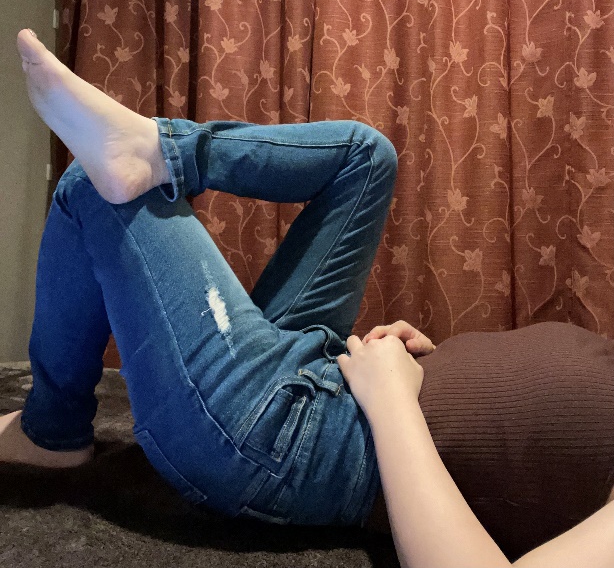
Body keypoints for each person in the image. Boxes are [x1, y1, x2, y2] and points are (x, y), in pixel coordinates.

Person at [2, 28, 613, 566]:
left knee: (96, 186)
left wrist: (394, 400)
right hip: (327, 369)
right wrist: (437, 361)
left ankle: (52, 433)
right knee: (366, 157)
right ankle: (164, 150)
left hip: (286, 436)